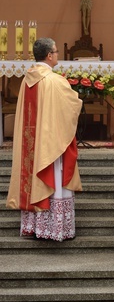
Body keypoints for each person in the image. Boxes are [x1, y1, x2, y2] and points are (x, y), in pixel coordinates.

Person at [6, 38, 82, 241]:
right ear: (49, 55)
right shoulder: (54, 81)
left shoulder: (26, 79)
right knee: (54, 179)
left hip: (32, 144)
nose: (57, 55)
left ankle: (36, 226)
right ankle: (55, 229)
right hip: (50, 146)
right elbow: (72, 107)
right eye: (56, 52)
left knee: (32, 177)